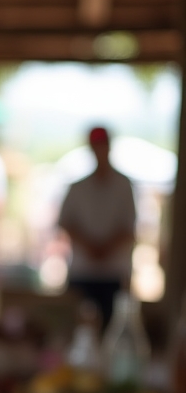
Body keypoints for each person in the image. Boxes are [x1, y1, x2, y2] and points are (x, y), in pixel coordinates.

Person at [58, 126, 136, 326]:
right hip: (82, 271)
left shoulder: (123, 185)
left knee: (112, 328)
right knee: (77, 326)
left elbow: (129, 228)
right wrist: (90, 247)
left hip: (113, 273)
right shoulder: (78, 187)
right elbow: (66, 222)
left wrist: (105, 249)